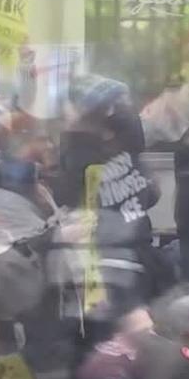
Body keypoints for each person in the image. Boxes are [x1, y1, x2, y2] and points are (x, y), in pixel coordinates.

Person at [53, 74, 162, 320]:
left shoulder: (79, 159)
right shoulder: (130, 151)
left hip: (106, 265)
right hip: (141, 254)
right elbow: (154, 194)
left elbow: (68, 201)